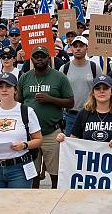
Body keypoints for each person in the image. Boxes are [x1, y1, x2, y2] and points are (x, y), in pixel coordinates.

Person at [17, 45, 74, 189]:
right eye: (36, 56)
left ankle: (54, 200)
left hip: (52, 132)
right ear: (32, 59)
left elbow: (70, 102)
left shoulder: (59, 77)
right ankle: (35, 205)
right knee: (32, 173)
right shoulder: (25, 77)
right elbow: (18, 102)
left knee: (55, 173)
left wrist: (51, 99)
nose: (40, 59)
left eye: (43, 56)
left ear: (49, 58)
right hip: (30, 134)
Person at [0, 72, 43, 188]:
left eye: (8, 86)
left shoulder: (27, 111)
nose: (4, 90)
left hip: (19, 168)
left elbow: (38, 139)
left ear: (15, 90)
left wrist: (24, 145)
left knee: (18, 203)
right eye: (0, 87)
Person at [56, 75, 112, 148]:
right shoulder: (84, 113)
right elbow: (74, 139)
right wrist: (64, 139)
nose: (101, 91)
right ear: (93, 93)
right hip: (88, 163)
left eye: (105, 88)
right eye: (97, 88)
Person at [59, 35, 101, 135]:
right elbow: (59, 92)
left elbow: (101, 90)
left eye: (81, 46)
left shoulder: (95, 67)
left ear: (87, 48)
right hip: (70, 115)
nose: (78, 48)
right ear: (71, 48)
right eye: (75, 46)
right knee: (71, 146)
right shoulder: (64, 68)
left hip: (91, 114)